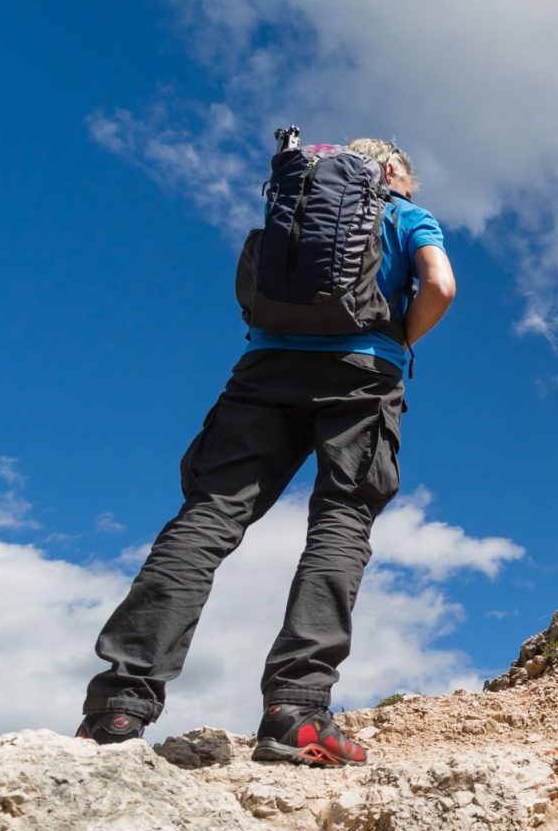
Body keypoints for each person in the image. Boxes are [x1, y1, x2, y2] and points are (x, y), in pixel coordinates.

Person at [76, 138, 456, 765]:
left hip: (263, 371)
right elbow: (439, 285)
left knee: (208, 515)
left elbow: (249, 295)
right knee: (341, 519)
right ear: (391, 172)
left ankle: (118, 706)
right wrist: (397, 341)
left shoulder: (291, 205)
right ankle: (296, 710)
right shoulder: (404, 212)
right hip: (364, 375)